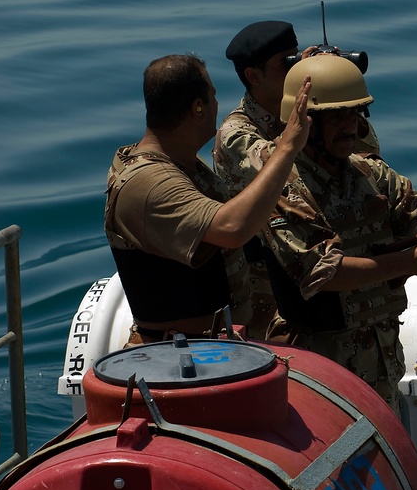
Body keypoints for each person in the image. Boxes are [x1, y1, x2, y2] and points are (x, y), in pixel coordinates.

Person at [260, 54, 417, 415]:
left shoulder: (367, 173)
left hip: (381, 366)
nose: (350, 126)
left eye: (355, 115)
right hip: (320, 370)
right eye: (337, 117)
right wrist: (410, 262)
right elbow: (323, 273)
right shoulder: (283, 189)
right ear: (306, 122)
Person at [104, 53, 312, 346]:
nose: (217, 105)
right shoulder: (148, 182)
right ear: (198, 107)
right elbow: (232, 228)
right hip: (179, 358)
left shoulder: (181, 162)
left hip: (213, 348)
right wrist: (288, 146)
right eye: (212, 96)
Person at [215, 20, 380, 333]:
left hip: (326, 260)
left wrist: (340, 101)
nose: (297, 72)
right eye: (286, 65)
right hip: (266, 293)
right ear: (253, 76)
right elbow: (287, 171)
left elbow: (368, 158)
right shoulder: (236, 135)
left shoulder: (316, 115)